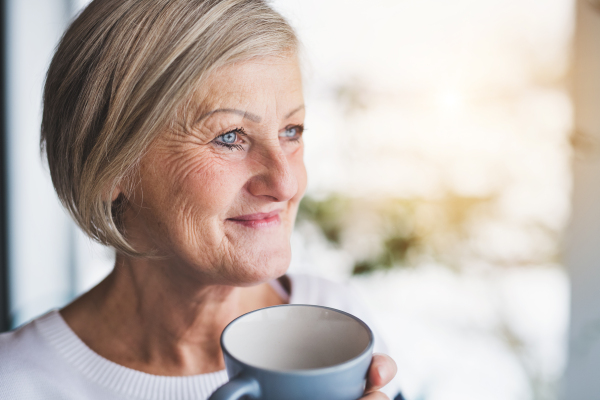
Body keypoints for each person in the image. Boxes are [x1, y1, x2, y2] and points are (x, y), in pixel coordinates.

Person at [0, 1, 401, 399]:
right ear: (110, 165)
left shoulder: (339, 322)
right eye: (229, 137)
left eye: (291, 131)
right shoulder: (16, 381)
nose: (286, 183)